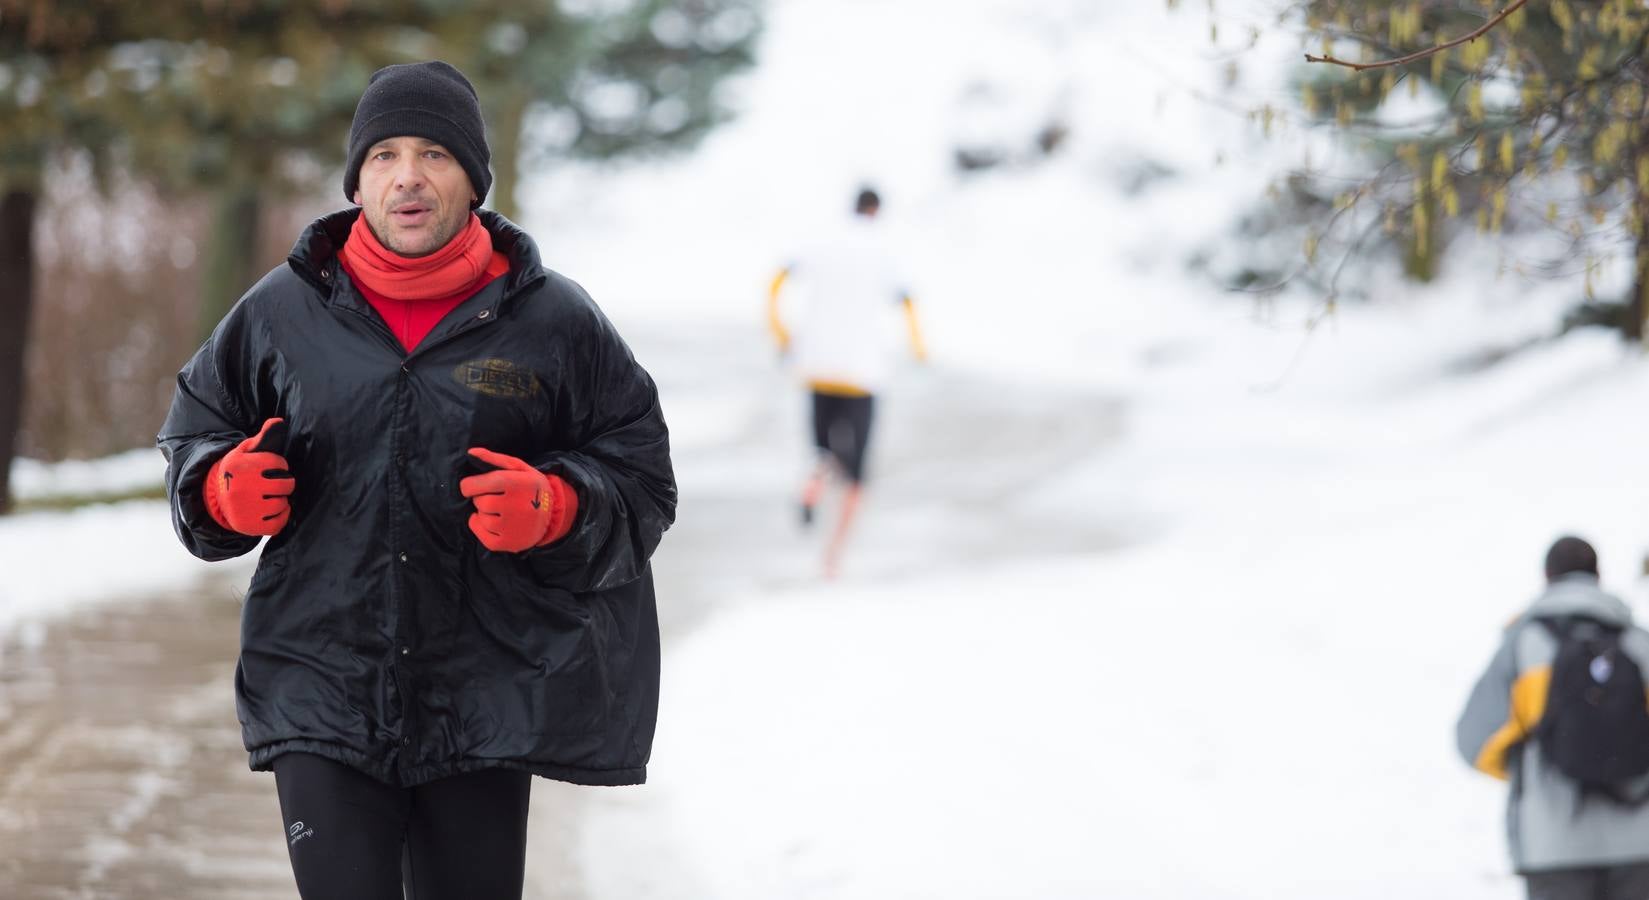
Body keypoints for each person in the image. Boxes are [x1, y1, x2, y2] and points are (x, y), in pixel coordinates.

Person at [156, 60, 675, 900]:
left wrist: (558, 505)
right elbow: (193, 432)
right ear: (356, 179)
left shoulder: (553, 320)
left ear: (472, 179)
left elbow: (643, 478)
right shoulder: (278, 313)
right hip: (320, 687)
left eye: (434, 153)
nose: (407, 175)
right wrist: (216, 489)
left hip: (487, 692)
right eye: (384, 153)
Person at [1457, 536, 1649, 900]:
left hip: (1553, 847)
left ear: (1547, 576)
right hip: (1641, 845)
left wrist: (1531, 771)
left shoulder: (1526, 643)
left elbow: (1475, 742)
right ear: (1597, 574)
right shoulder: (1637, 641)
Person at [766, 187, 926, 577]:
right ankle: (833, 556)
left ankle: (814, 484)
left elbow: (776, 282)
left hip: (816, 366)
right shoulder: (884, 251)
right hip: (862, 372)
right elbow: (907, 303)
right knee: (857, 474)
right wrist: (919, 347)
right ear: (877, 211)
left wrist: (782, 335)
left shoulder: (821, 243)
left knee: (823, 450)